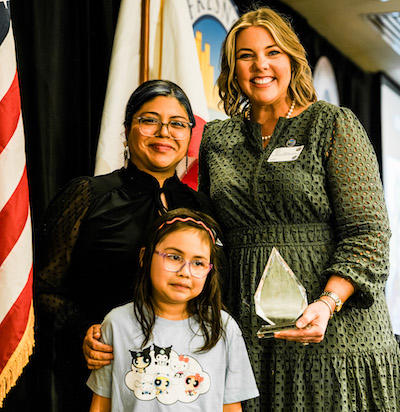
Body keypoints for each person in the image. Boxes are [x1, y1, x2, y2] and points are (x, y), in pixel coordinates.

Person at [198, 7, 400, 412]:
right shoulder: (214, 138)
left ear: (292, 60)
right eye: (245, 55)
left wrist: (327, 304)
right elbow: (209, 231)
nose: (260, 65)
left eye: (272, 52)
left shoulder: (332, 124)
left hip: (336, 330)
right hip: (248, 331)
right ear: (231, 66)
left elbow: (369, 234)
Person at [35, 80, 211, 412]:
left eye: (177, 124)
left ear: (190, 135)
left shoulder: (202, 208)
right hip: (99, 373)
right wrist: (84, 331)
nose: (164, 132)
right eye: (149, 120)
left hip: (184, 383)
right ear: (127, 128)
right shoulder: (87, 195)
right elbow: (43, 287)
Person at [86, 208, 259, 411]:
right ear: (145, 257)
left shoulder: (224, 327)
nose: (185, 272)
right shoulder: (116, 324)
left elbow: (231, 407)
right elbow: (101, 404)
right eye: (174, 257)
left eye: (198, 263)